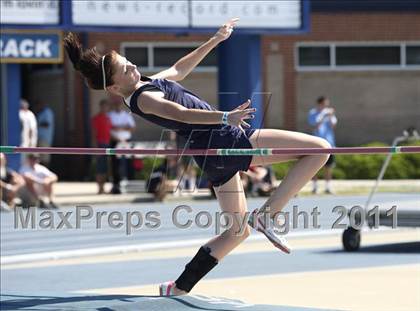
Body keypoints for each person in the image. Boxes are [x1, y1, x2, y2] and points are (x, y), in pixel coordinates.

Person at [64, 18, 330, 296]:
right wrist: (226, 117)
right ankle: (267, 214)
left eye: (127, 61)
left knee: (237, 232)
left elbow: (180, 69)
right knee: (320, 149)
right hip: (227, 141)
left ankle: (178, 288)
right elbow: (181, 114)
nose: (132, 65)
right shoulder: (144, 98)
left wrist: (215, 40)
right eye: (124, 69)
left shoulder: (144, 83)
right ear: (114, 88)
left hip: (212, 155)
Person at [308, 96, 338, 194]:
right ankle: (315, 187)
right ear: (319, 104)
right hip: (317, 143)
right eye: (324, 104)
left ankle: (328, 187)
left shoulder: (328, 113)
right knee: (314, 167)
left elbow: (333, 125)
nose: (326, 106)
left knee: (328, 167)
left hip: (330, 143)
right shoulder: (313, 113)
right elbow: (315, 124)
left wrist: (330, 116)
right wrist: (323, 115)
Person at [108, 100, 136, 194]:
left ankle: (130, 182)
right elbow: (109, 128)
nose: (118, 107)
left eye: (119, 105)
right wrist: (123, 127)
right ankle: (116, 184)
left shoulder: (126, 115)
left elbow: (132, 127)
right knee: (116, 164)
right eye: (116, 105)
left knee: (128, 162)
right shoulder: (110, 115)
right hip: (115, 141)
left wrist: (119, 128)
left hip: (126, 141)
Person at [91, 99, 112, 194]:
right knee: (99, 167)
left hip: (107, 144)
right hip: (100, 144)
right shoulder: (96, 118)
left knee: (105, 167)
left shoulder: (108, 118)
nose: (105, 108)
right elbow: (94, 134)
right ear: (100, 107)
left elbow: (110, 132)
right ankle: (99, 188)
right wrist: (96, 148)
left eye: (106, 106)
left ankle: (103, 187)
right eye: (103, 106)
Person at [35, 100, 55, 165]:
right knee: (39, 158)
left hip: (45, 139)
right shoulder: (41, 113)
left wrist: (36, 124)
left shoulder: (47, 112)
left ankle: (46, 173)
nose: (37, 107)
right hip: (40, 138)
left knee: (45, 158)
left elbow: (47, 124)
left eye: (38, 105)